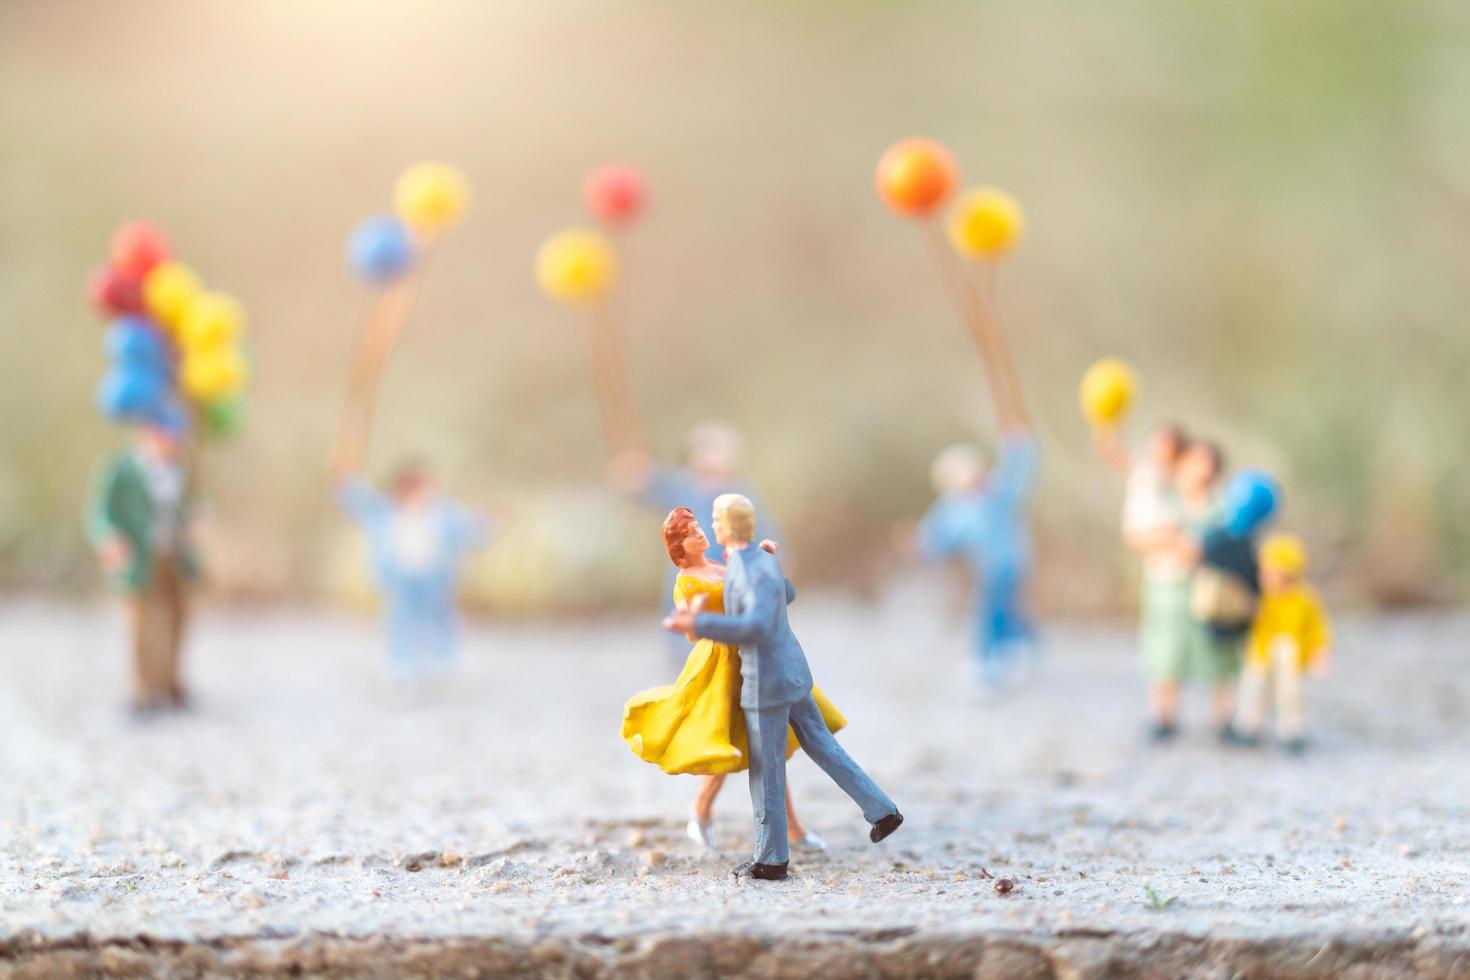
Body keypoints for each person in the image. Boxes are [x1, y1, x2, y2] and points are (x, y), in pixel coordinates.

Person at [665, 494, 902, 881]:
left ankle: (771, 859)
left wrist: (700, 625)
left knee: (766, 769)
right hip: (793, 670)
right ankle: (883, 811)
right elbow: (787, 595)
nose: (710, 528)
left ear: (727, 528)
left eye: (714, 521)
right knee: (823, 744)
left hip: (766, 682)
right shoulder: (760, 560)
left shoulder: (745, 567)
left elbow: (755, 627)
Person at [622, 508, 840, 853]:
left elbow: (749, 589)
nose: (700, 534)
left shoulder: (721, 565)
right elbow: (695, 632)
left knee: (771, 750)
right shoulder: (687, 580)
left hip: (756, 658)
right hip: (722, 668)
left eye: (698, 528)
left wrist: (764, 558)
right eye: (691, 533)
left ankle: (793, 827)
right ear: (679, 545)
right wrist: (699, 619)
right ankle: (702, 808)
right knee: (724, 742)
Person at [333, 458, 493, 682]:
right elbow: (360, 503)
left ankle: (444, 663)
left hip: (434, 576)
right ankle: (402, 665)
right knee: (402, 618)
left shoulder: (442, 513)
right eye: (409, 488)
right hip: (400, 576)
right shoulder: (385, 512)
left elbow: (466, 529)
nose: (415, 495)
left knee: (439, 617)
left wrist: (485, 524)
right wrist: (347, 484)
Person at [85, 419, 199, 715]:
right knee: (140, 622)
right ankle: (143, 687)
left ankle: (170, 680)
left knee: (178, 616)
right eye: (162, 434)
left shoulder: (183, 470)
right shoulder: (121, 469)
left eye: (173, 436)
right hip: (139, 556)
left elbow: (192, 506)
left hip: (173, 554)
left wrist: (197, 523)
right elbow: (100, 511)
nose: (168, 442)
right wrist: (108, 538)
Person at [915, 434, 1038, 691]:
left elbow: (1018, 472)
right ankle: (987, 661)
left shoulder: (996, 494)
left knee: (1009, 609)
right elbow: (936, 535)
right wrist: (919, 542)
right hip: (986, 568)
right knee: (988, 611)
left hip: (1013, 564)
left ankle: (1014, 650)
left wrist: (1020, 445)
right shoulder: (954, 507)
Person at [1230, 533, 1331, 753]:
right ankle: (1248, 725)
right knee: (1253, 689)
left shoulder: (1304, 598)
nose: (1265, 577)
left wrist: (1319, 652)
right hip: (1260, 652)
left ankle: (1291, 730)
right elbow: (1245, 619)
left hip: (1289, 654)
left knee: (1290, 692)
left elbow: (1317, 629)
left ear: (1288, 575)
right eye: (1264, 572)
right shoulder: (1261, 597)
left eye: (1271, 573)